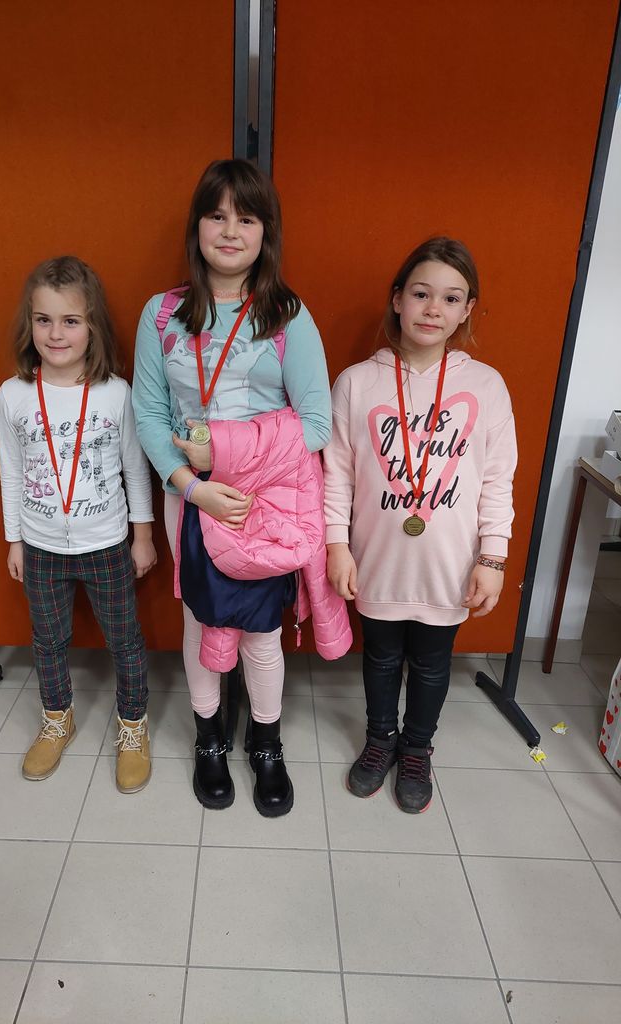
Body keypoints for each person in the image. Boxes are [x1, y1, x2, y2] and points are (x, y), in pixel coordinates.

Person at [133, 158, 347, 817]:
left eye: (246, 218)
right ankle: (208, 737)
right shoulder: (163, 314)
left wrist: (230, 460)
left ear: (265, 232)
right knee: (200, 618)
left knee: (259, 631)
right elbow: (150, 415)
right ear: (197, 226)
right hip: (189, 496)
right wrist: (191, 488)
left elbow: (316, 423)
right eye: (217, 215)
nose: (230, 231)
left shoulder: (286, 314)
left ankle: (266, 742)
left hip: (263, 501)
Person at [324, 237, 516, 813]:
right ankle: (380, 739)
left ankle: (416, 748)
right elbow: (336, 474)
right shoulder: (356, 382)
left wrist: (493, 557)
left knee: (432, 664)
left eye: (451, 298)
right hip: (377, 558)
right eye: (421, 294)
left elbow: (498, 479)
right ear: (398, 299)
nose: (434, 309)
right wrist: (337, 545)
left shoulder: (487, 386)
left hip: (449, 564)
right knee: (381, 657)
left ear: (467, 309)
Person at [0, 256, 156, 791]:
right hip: (40, 546)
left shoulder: (116, 393)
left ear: (93, 326)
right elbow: (11, 471)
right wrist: (14, 540)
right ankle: (56, 718)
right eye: (43, 320)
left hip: (106, 543)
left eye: (70, 321)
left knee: (125, 641)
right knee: (48, 641)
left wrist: (143, 536)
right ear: (29, 324)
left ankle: (132, 726)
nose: (56, 334)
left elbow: (136, 468)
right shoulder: (13, 395)